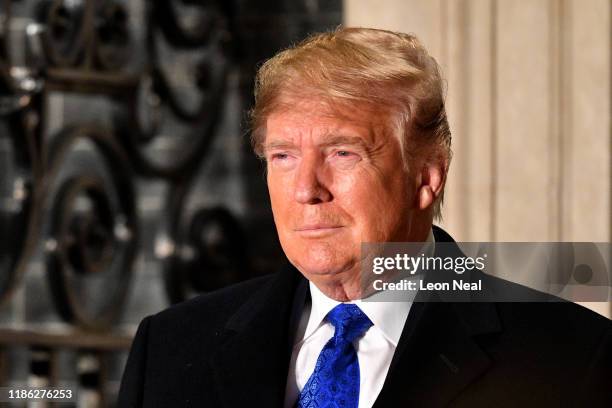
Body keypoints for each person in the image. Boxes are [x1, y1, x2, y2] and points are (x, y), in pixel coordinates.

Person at [117, 27, 610, 407]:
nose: (307, 189)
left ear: (427, 178)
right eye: (283, 156)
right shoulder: (170, 348)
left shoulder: (574, 358)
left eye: (343, 153)